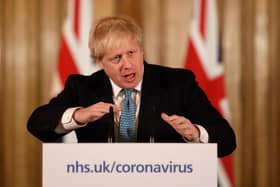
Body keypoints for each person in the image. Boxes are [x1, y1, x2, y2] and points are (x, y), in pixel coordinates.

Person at [27, 16, 236, 157]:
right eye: (116, 58)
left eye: (131, 53)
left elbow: (227, 139)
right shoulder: (82, 87)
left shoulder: (178, 83)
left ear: (142, 50)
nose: (127, 64)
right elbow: (37, 123)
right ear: (100, 62)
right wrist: (77, 116)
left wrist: (196, 134)